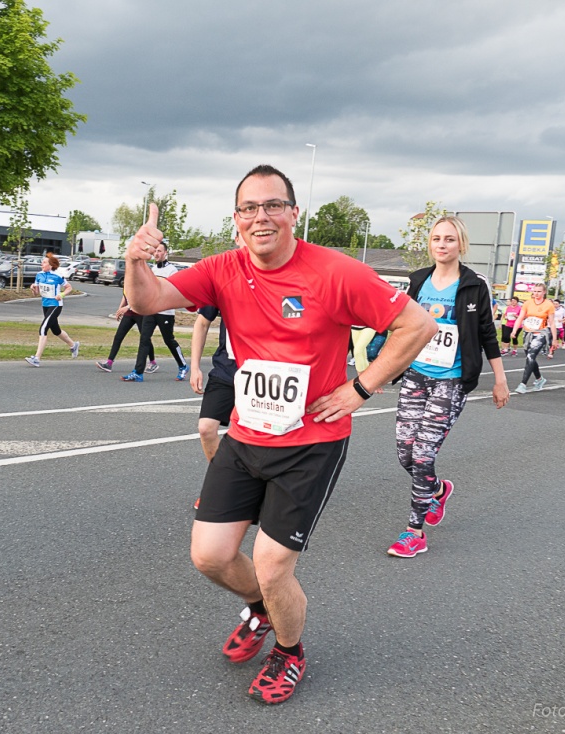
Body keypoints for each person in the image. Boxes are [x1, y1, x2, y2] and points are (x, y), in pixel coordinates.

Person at [123, 164, 436, 704]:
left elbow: (418, 325)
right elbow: (149, 300)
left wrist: (359, 389)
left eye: (273, 205)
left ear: (294, 213)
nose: (260, 217)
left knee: (271, 564)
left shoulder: (336, 272)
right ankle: (264, 607)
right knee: (211, 556)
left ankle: (289, 651)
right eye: (249, 208)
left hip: (311, 443)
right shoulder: (223, 268)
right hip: (246, 436)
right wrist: (133, 259)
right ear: (237, 218)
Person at [388, 216, 510, 558]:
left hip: (451, 380)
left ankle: (414, 532)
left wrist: (500, 379)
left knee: (423, 455)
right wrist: (381, 369)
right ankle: (439, 490)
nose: (442, 244)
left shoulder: (474, 284)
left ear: (462, 245)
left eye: (450, 239)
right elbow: (397, 326)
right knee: (405, 453)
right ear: (430, 244)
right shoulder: (417, 281)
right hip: (415, 376)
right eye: (437, 238)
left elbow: (487, 333)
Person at [121, 241, 188, 382]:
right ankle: (138, 372)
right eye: (155, 251)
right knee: (144, 339)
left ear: (165, 253)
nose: (156, 253)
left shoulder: (172, 271)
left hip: (165, 312)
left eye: (159, 251)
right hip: (150, 310)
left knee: (168, 340)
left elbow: (172, 292)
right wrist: (131, 306)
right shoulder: (152, 269)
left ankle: (182, 365)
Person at [189, 306, 236, 463]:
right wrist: (195, 367)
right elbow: (202, 323)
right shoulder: (223, 283)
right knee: (206, 428)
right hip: (226, 369)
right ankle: (223, 477)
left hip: (262, 372)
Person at [24, 253, 80, 367]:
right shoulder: (39, 275)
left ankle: (37, 358)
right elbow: (37, 293)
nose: (42, 264)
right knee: (56, 330)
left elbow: (69, 287)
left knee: (43, 328)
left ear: (51, 265)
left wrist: (62, 295)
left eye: (44, 262)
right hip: (45, 305)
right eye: (42, 262)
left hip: (56, 305)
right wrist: (33, 289)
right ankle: (73, 345)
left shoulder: (57, 276)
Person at [510, 283, 556, 393]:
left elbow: (552, 323)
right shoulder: (528, 303)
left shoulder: (548, 305)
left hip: (541, 333)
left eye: (539, 291)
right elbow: (520, 317)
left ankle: (523, 384)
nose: (536, 293)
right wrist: (514, 330)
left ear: (544, 292)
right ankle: (539, 379)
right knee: (530, 358)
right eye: (535, 291)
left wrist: (554, 339)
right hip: (528, 333)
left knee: (531, 356)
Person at [95, 293, 156, 373]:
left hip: (140, 313)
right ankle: (109, 363)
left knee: (145, 338)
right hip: (129, 314)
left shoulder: (137, 281)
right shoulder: (127, 281)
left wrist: (127, 307)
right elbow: (125, 294)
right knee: (118, 337)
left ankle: (152, 362)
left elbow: (140, 296)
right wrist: (120, 309)